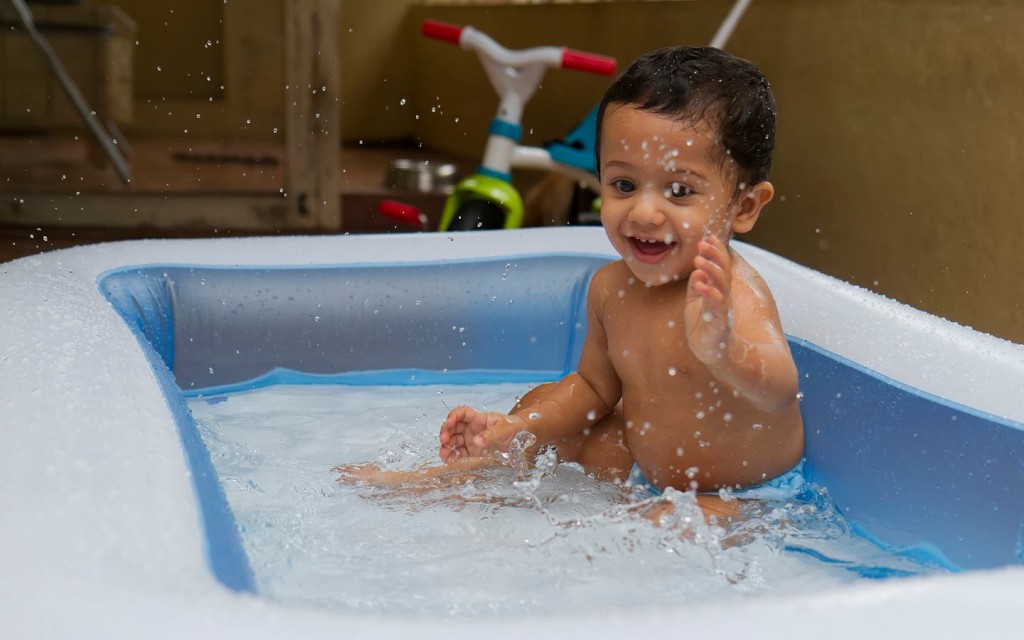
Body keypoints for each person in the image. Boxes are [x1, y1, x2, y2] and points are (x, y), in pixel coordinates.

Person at [436, 46, 804, 521]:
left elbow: (780, 391)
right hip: (641, 467)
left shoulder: (731, 293)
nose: (644, 213)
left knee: (666, 523)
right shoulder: (610, 287)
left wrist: (726, 352)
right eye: (624, 186)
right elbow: (594, 388)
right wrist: (516, 427)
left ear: (745, 207)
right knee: (541, 407)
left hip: (742, 493)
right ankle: (467, 472)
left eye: (679, 191)